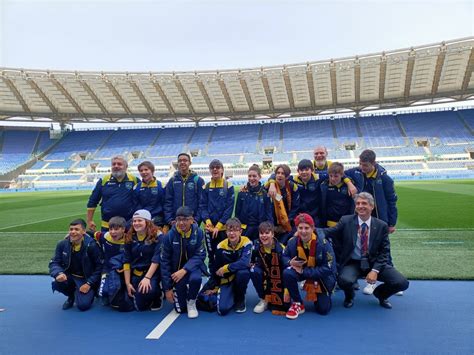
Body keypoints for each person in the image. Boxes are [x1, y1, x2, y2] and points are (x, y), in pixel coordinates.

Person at [324, 192, 409, 309]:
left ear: (372, 206)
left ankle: (381, 295)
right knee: (343, 280)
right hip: (353, 262)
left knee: (402, 283)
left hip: (374, 262)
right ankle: (349, 296)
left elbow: (385, 251)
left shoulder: (381, 225)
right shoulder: (346, 221)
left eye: (364, 203)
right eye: (358, 203)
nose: (360, 206)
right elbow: (329, 232)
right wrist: (307, 231)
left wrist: (375, 270)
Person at [345, 149, 399, 295]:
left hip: (379, 220)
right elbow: (341, 173)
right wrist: (349, 183)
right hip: (361, 218)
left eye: (366, 165)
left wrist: (391, 222)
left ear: (374, 163)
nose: (362, 167)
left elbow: (392, 201)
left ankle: (391, 280)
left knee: (383, 250)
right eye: (361, 164)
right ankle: (366, 281)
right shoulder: (356, 172)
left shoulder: (385, 178)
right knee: (360, 248)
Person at [282, 213, 337, 319]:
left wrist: (304, 272)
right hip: (301, 270)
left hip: (320, 277)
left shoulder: (324, 244)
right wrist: (290, 262)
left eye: (306, 228)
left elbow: (329, 268)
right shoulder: (292, 242)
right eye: (300, 228)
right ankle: (298, 303)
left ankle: (321, 293)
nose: (303, 231)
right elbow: (284, 256)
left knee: (323, 309)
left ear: (312, 228)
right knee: (288, 272)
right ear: (296, 229)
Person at [161, 206, 207, 319]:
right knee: (180, 310)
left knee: (196, 279)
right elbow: (164, 262)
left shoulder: (198, 232)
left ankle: (191, 302)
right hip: (176, 273)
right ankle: (182, 290)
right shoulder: (169, 236)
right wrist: (167, 288)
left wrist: (185, 269)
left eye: (185, 219)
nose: (181, 223)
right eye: (179, 219)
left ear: (192, 220)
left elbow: (200, 254)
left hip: (192, 269)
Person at [49, 218, 102, 311]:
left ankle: (93, 292)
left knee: (83, 306)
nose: (73, 232)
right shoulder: (62, 244)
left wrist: (89, 284)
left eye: (76, 229)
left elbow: (99, 267)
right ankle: (71, 296)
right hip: (70, 277)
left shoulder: (92, 246)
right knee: (58, 282)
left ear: (84, 231)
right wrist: (58, 273)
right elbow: (54, 262)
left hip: (86, 279)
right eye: (71, 229)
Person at [199, 159, 235, 283]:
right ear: (210, 170)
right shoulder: (206, 187)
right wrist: (209, 223)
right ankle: (213, 280)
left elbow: (229, 209)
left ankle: (226, 279)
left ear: (222, 170)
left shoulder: (228, 186)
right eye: (212, 167)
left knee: (224, 253)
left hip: (223, 229)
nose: (215, 169)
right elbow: (202, 206)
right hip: (209, 229)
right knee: (211, 254)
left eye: (217, 167)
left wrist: (218, 226)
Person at [123, 209, 163, 311]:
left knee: (148, 291)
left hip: (152, 273)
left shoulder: (158, 236)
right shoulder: (129, 236)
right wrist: (128, 283)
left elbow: (156, 259)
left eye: (140, 220)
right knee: (140, 307)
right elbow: (126, 261)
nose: (136, 223)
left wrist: (147, 278)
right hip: (136, 273)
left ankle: (157, 294)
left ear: (147, 221)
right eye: (134, 221)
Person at [87, 155, 139, 231]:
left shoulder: (134, 180)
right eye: (113, 164)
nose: (116, 166)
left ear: (126, 166)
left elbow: (141, 200)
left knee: (128, 243)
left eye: (119, 164)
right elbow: (92, 201)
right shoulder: (104, 180)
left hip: (128, 225)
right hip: (107, 225)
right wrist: (89, 220)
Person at [93, 216, 133, 311]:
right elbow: (91, 233)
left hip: (124, 270)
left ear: (123, 229)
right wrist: (71, 235)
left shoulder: (129, 240)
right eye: (110, 229)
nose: (113, 232)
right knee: (103, 292)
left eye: (116, 229)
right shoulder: (104, 236)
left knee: (123, 292)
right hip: (107, 269)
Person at [214, 218, 252, 315]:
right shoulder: (220, 246)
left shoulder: (246, 242)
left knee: (243, 272)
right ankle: (230, 292)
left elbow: (244, 262)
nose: (232, 233)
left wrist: (226, 268)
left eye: (235, 230)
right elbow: (216, 268)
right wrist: (214, 286)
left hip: (239, 276)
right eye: (230, 230)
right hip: (227, 280)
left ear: (240, 231)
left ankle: (240, 297)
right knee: (223, 309)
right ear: (226, 232)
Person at [250, 221, 289, 314]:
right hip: (265, 275)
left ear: (273, 234)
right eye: (261, 233)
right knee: (253, 271)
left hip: (279, 279)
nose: (264, 236)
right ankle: (263, 299)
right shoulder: (256, 246)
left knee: (285, 304)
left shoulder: (281, 249)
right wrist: (252, 263)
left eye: (267, 233)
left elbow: (287, 271)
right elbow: (251, 260)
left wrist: (287, 290)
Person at [164, 153, 205, 226]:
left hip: (192, 221)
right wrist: (170, 220)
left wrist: (196, 220)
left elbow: (201, 203)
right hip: (175, 222)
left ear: (190, 163)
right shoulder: (172, 181)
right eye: (180, 161)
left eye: (185, 160)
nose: (182, 162)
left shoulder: (198, 180)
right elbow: (167, 202)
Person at [235, 164, 273, 241]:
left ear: (259, 177)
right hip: (245, 230)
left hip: (260, 230)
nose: (251, 178)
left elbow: (269, 214)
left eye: (254, 176)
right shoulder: (242, 193)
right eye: (249, 176)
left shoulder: (265, 194)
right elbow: (237, 214)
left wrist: (270, 229)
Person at [266, 164, 300, 244]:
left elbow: (295, 207)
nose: (280, 175)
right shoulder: (269, 186)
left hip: (288, 223)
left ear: (287, 176)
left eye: (283, 173)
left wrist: (286, 221)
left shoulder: (292, 187)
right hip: (272, 223)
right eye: (278, 173)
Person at [318, 162, 355, 228]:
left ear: (342, 175)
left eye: (336, 176)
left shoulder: (349, 186)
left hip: (346, 223)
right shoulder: (324, 186)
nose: (333, 179)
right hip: (329, 224)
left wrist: (348, 182)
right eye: (331, 176)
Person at [133, 161, 166, 230]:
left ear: (152, 171)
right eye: (141, 170)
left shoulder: (161, 186)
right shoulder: (136, 187)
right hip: (142, 220)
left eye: (146, 170)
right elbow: (136, 205)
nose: (143, 172)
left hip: (158, 220)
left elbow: (164, 204)